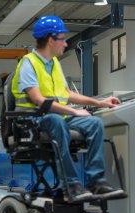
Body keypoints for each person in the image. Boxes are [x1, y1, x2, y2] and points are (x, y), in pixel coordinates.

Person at [12, 15, 124, 201]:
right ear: (51, 40)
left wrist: (100, 102)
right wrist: (73, 111)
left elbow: (67, 94)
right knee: (57, 122)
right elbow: (39, 100)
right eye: (62, 39)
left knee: (94, 123)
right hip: (32, 121)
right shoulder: (28, 63)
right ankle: (70, 184)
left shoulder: (54, 63)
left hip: (55, 117)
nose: (65, 44)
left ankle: (96, 181)